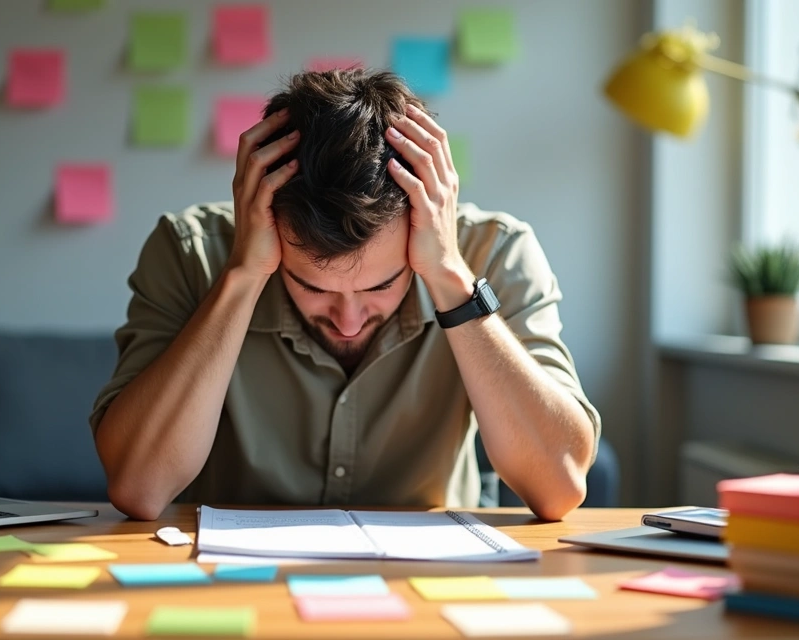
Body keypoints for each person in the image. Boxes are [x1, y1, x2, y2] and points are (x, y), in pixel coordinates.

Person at [90, 70, 600, 521]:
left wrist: (448, 275)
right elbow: (140, 487)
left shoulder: (496, 254)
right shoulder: (189, 254)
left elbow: (558, 489)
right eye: (311, 285)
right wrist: (245, 274)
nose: (349, 320)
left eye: (381, 284)